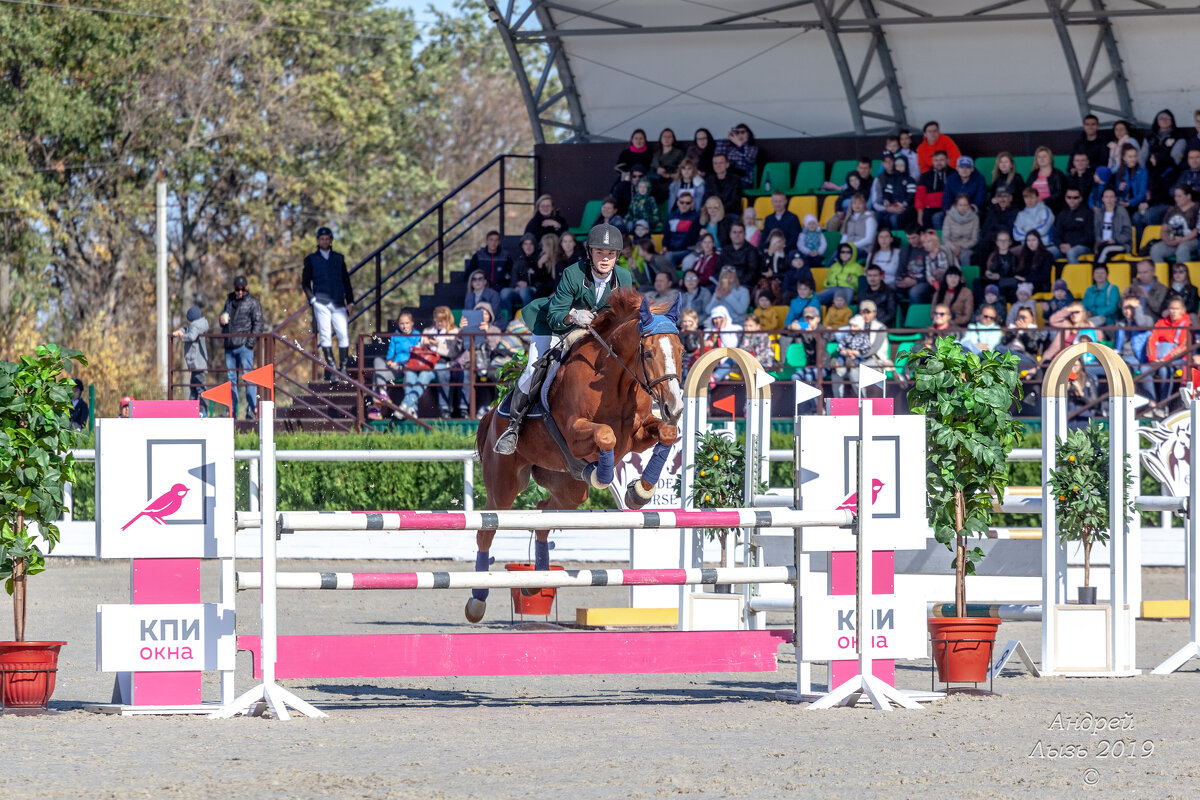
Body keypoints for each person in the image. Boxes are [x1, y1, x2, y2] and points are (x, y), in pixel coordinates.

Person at [493, 223, 633, 455]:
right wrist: (573, 315)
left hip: (595, 332)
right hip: (553, 325)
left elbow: (624, 316)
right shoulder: (573, 273)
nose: (605, 259)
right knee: (533, 368)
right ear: (590, 253)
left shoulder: (624, 278)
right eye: (600, 252)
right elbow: (555, 315)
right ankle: (513, 427)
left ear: (617, 256)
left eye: (610, 254)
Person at [302, 226, 355, 376]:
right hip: (321, 302)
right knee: (325, 334)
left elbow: (346, 280)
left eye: (327, 238)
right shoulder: (311, 259)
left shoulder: (339, 258)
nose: (324, 241)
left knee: (343, 334)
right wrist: (312, 299)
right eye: (322, 239)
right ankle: (331, 367)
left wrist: (350, 302)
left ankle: (343, 367)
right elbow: (305, 282)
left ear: (331, 240)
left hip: (338, 301)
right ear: (318, 240)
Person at [220, 275, 265, 420]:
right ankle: (231, 411)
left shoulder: (253, 302)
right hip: (229, 346)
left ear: (246, 288)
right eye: (237, 289)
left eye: (242, 289)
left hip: (244, 346)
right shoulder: (229, 300)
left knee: (248, 378)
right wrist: (221, 320)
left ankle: (252, 409)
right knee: (231, 379)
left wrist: (250, 343)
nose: (239, 292)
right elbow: (224, 317)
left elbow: (258, 324)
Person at [1146, 297, 1192, 411]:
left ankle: (1163, 405)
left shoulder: (1186, 324)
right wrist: (1153, 359)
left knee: (1164, 370)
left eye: (1177, 309)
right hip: (1158, 359)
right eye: (1171, 308)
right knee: (1143, 371)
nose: (1174, 311)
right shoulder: (1161, 322)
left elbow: (1183, 347)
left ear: (1183, 310)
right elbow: (1151, 340)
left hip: (1177, 360)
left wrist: (1165, 360)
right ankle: (1152, 403)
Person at [428, 305, 468, 419]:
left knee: (445, 372)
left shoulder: (455, 332)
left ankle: (457, 408)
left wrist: (438, 345)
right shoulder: (428, 331)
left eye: (442, 320)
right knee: (441, 372)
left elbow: (453, 352)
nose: (439, 323)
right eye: (437, 320)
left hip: (450, 363)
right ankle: (444, 408)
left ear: (448, 320)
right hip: (432, 363)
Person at [172, 305, 209, 416]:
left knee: (200, 388)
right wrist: (181, 330)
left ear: (190, 319)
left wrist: (182, 337)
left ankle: (203, 411)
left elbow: (191, 336)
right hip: (196, 363)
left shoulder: (195, 327)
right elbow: (187, 329)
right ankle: (191, 410)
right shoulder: (197, 325)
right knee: (193, 387)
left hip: (197, 363)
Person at [1149, 186, 1200, 264]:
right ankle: (1161, 275)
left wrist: (1182, 240)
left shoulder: (1197, 208)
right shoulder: (1172, 210)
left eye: (1179, 196)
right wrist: (1167, 240)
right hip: (1173, 240)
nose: (1176, 198)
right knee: (1156, 249)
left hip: (1192, 240)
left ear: (1188, 196)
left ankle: (1182, 275)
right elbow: (1164, 229)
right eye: (1175, 196)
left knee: (1182, 249)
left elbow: (1196, 231)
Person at [373, 312, 419, 394]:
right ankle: (382, 393)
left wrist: (401, 364)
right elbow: (390, 353)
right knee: (377, 362)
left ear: (412, 323)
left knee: (376, 376)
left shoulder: (417, 335)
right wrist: (390, 361)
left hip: (409, 367)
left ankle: (379, 399)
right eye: (402, 323)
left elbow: (417, 354)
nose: (404, 326)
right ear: (398, 324)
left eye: (407, 323)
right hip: (396, 368)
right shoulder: (395, 335)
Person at [503, 233, 543, 321]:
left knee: (524, 290)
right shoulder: (518, 260)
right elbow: (513, 278)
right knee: (504, 292)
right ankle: (508, 320)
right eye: (525, 244)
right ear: (522, 246)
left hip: (534, 290)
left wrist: (527, 284)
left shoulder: (540, 259)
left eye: (531, 244)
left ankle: (527, 320)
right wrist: (517, 284)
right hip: (519, 290)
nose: (528, 247)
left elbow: (543, 280)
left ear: (534, 245)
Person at [871, 151, 915, 230]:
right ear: (883, 163)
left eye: (891, 160)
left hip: (903, 207)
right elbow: (878, 201)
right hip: (888, 207)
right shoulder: (880, 179)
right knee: (878, 217)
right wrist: (886, 201)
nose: (889, 163)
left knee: (894, 218)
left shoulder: (909, 179)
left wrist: (904, 204)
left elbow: (911, 194)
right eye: (886, 161)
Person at [1092, 187, 1133, 264]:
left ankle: (1097, 273)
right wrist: (1100, 241)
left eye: (1111, 197)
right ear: (1102, 199)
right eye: (1106, 197)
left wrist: (1114, 240)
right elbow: (1096, 233)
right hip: (1103, 244)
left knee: (1105, 250)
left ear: (1115, 199)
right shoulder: (1098, 213)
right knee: (1102, 249)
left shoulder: (1122, 212)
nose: (1109, 200)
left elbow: (1128, 234)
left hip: (1120, 245)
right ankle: (1101, 273)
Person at [1054, 188, 1095, 263]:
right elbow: (1056, 235)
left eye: (1075, 197)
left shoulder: (1087, 214)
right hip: (1063, 247)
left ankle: (1075, 275)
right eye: (1069, 197)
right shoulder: (1062, 214)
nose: (1071, 200)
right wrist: (1061, 245)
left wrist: (1071, 245)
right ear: (1065, 198)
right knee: (1048, 252)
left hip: (1083, 247)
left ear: (1080, 198)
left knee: (1071, 252)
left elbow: (1089, 237)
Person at [978, 187, 1019, 262]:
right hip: (993, 242)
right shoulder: (992, 211)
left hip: (1009, 242)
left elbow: (1011, 230)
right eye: (999, 196)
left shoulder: (1016, 212)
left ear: (1010, 198)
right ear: (996, 199)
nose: (1002, 199)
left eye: (1005, 196)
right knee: (982, 244)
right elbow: (985, 231)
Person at [719, 221, 764, 287]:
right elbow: (718, 271)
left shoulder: (752, 251)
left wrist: (734, 283)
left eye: (740, 232)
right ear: (730, 235)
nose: (737, 235)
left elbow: (752, 275)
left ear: (745, 235)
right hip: (725, 284)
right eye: (734, 232)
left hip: (743, 285)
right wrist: (725, 283)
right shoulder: (725, 250)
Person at [942, 193, 979, 269]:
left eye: (965, 205)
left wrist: (961, 248)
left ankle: (965, 279)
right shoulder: (949, 217)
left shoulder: (975, 218)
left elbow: (974, 239)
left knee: (964, 256)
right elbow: (945, 238)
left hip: (967, 247)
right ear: (956, 206)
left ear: (969, 205)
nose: (963, 207)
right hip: (951, 246)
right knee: (945, 254)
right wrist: (954, 248)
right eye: (960, 205)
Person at [1026, 146, 1068, 213]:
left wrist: (1043, 200)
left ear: (1050, 159)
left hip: (1052, 208)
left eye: (1044, 156)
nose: (1041, 159)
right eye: (1039, 157)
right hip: (1033, 208)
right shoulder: (1033, 174)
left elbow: (1060, 193)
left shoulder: (1058, 174)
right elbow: (1027, 190)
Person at [915, 150, 949, 229]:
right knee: (924, 217)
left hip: (947, 208)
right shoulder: (925, 176)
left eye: (941, 160)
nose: (938, 163)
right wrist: (920, 215)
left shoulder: (953, 174)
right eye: (936, 160)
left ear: (947, 160)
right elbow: (919, 197)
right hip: (929, 208)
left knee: (937, 217)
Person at [664, 193, 701, 265]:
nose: (684, 205)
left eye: (687, 203)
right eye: (682, 202)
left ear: (691, 204)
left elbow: (693, 238)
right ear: (677, 203)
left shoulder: (696, 217)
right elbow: (666, 234)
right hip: (671, 250)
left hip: (687, 250)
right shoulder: (671, 216)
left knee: (669, 257)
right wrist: (665, 247)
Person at [649, 128, 684, 201]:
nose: (666, 139)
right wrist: (657, 170)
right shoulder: (656, 154)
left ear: (673, 139)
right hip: (655, 180)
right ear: (661, 139)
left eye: (669, 137)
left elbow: (682, 171)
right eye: (664, 137)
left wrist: (669, 175)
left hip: (670, 181)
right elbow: (651, 169)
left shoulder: (678, 153)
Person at [984, 231, 1017, 301]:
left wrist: (1000, 276)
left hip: (1005, 282)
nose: (1003, 243)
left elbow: (1014, 274)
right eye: (1000, 240)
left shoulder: (1013, 257)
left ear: (1010, 242)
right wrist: (989, 274)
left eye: (1005, 240)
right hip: (992, 281)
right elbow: (988, 270)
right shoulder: (992, 256)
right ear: (997, 242)